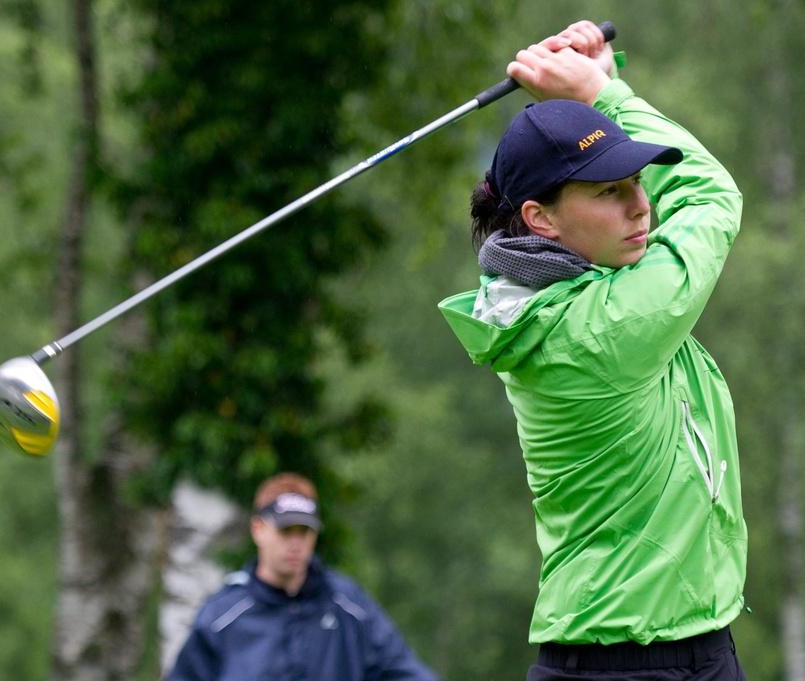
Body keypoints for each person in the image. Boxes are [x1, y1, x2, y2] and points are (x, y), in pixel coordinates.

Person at [438, 21, 748, 681]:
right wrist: (606, 91)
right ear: (540, 218)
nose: (642, 206)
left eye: (638, 181)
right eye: (611, 191)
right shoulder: (597, 329)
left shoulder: (565, 292)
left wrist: (594, 85)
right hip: (629, 664)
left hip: (685, 647)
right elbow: (711, 197)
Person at [168, 472, 438, 681]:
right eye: (286, 532)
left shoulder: (348, 605)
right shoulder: (223, 615)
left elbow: (403, 671)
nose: (296, 543)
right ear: (258, 529)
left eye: (304, 532)